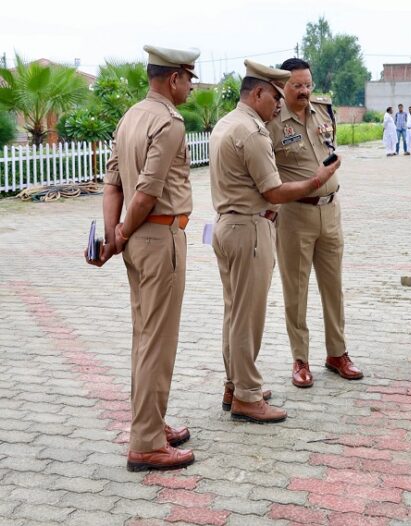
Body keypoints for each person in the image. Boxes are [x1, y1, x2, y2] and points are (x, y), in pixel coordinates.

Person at [85, 44, 200, 472]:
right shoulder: (169, 122)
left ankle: (150, 421)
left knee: (144, 336)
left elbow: (113, 183)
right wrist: (123, 232)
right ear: (173, 79)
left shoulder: (130, 117)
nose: (190, 86)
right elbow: (148, 190)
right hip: (159, 236)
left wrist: (115, 238)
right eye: (188, 78)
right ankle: (146, 442)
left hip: (137, 241)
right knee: (158, 341)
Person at [209, 60, 342, 423]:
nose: (278, 104)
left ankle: (235, 384)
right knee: (247, 318)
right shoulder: (252, 131)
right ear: (259, 93)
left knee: (235, 313)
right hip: (249, 228)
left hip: (231, 226)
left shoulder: (227, 123)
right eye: (275, 95)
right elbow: (273, 189)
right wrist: (316, 181)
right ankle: (248, 397)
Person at [266, 58, 363, 388]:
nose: (305, 90)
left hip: (331, 211)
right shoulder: (272, 121)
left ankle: (338, 353)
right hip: (295, 214)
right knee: (296, 290)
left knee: (333, 287)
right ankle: (300, 359)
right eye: (297, 85)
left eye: (308, 84)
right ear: (282, 86)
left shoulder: (324, 110)